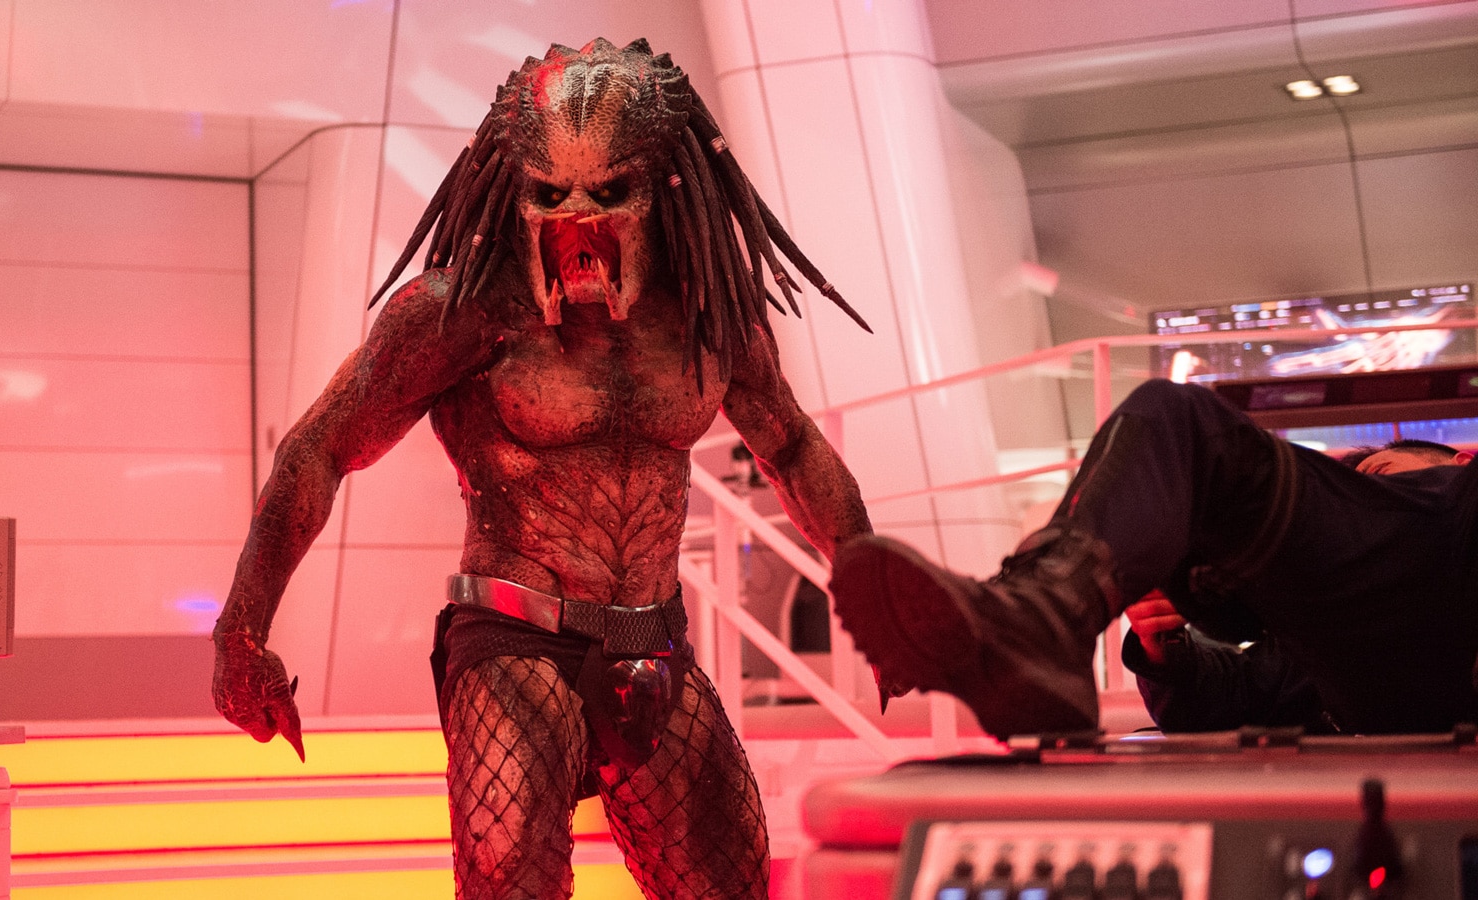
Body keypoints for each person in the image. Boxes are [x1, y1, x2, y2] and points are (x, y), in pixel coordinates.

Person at [211, 39, 873, 900]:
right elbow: (320, 446)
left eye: (609, 194)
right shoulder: (460, 314)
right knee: (509, 878)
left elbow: (793, 449)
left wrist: (874, 589)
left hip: (654, 639)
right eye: (550, 196)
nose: (575, 223)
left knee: (730, 884)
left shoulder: (709, 319)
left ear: (665, 187)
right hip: (514, 639)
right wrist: (240, 631)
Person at [829, 379, 1478, 739]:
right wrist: (1168, 652)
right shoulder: (1320, 653)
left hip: (1454, 546)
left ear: (1462, 457)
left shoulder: (1456, 496)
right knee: (1183, 471)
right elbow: (1232, 697)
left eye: (1377, 476)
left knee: (1181, 423)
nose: (1359, 489)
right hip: (1399, 682)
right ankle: (1040, 617)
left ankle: (1044, 614)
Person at [1123, 439, 1471, 733]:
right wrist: (1162, 643)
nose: (1373, 512)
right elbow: (1230, 696)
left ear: (1464, 466)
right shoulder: (1327, 629)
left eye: (1382, 475)